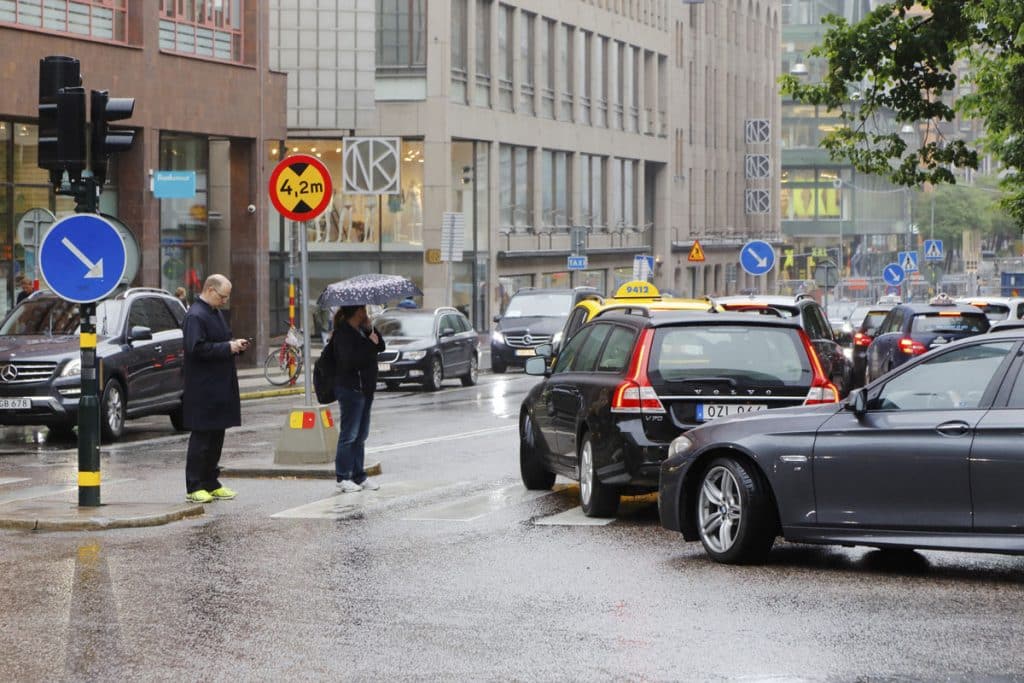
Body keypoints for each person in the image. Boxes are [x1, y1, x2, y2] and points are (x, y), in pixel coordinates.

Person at [181, 274, 249, 503]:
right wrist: (226, 347)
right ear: (210, 290)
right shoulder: (195, 316)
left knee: (216, 436)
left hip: (220, 385)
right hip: (203, 387)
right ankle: (194, 486)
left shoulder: (215, 313)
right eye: (222, 297)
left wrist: (235, 346)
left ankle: (212, 481)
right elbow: (196, 348)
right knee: (202, 437)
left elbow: (220, 343)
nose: (224, 302)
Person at [332, 304, 386, 493]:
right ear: (356, 312)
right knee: (349, 435)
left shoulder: (362, 329)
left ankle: (359, 475)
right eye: (363, 310)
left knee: (361, 436)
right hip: (351, 390)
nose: (366, 313)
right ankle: (343, 476)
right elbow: (351, 361)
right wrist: (368, 344)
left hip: (366, 390)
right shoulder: (343, 334)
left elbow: (381, 345)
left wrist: (371, 329)